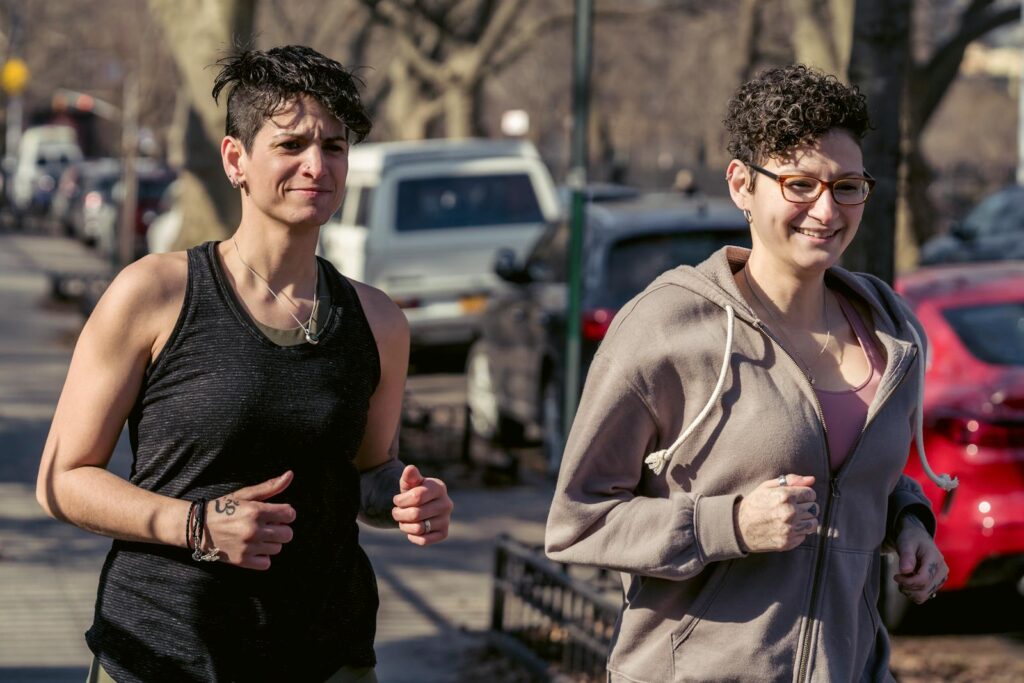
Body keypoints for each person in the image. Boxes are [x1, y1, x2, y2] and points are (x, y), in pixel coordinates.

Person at [36, 45, 453, 683]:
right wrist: (195, 524)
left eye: (334, 147)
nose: (317, 164)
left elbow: (369, 472)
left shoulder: (379, 320)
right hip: (166, 651)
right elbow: (61, 478)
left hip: (326, 654)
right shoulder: (155, 293)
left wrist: (404, 498)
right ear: (236, 160)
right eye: (291, 145)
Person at [545, 65, 955, 683]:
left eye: (847, 186)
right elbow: (579, 523)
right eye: (799, 184)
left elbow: (851, 472)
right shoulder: (669, 326)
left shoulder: (888, 329)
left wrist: (908, 522)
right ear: (742, 185)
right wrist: (730, 524)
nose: (826, 209)